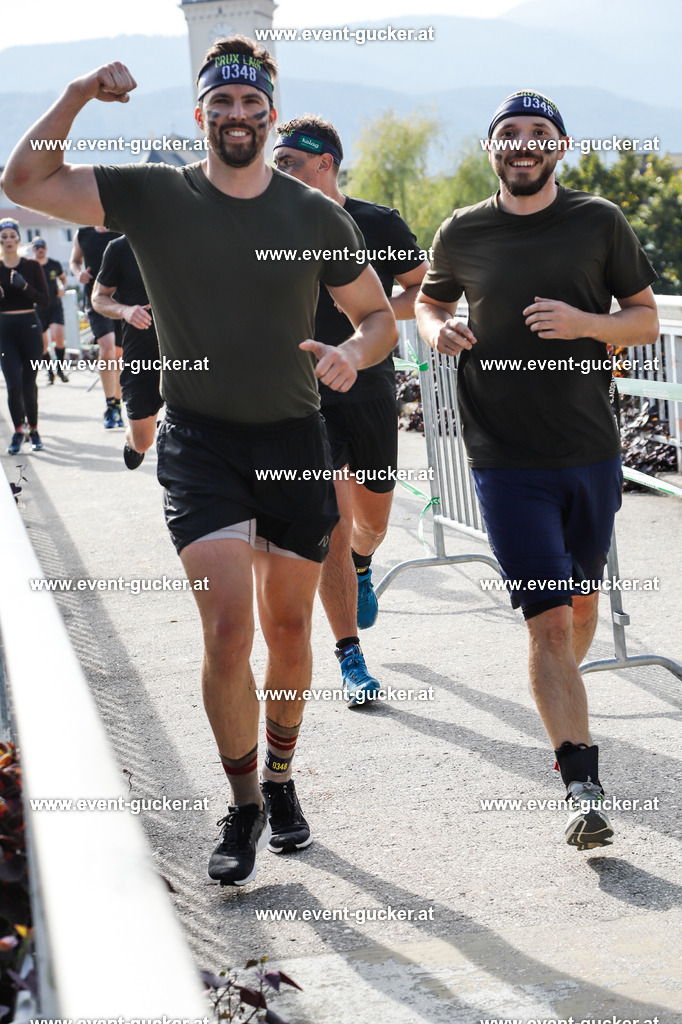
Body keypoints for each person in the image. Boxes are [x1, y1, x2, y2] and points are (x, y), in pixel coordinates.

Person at [1, 36, 397, 885]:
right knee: (228, 628)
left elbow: (377, 319)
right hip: (202, 441)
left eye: (253, 105)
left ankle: (286, 778)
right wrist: (75, 92)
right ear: (202, 115)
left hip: (294, 438)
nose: (239, 116)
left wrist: (353, 357)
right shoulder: (153, 196)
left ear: (270, 116)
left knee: (291, 631)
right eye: (223, 103)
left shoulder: (312, 214)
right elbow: (24, 183)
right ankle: (246, 801)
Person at [416, 90, 659, 850]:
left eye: (539, 133)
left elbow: (646, 317)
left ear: (561, 146)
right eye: (509, 134)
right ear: (491, 150)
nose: (524, 144)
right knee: (550, 621)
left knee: (581, 610)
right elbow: (426, 303)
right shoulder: (463, 228)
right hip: (502, 455)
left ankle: (559, 692)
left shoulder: (599, 221)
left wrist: (587, 324)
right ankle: (580, 782)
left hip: (588, 448)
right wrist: (439, 330)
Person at [274, 115, 429, 706]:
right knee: (332, 520)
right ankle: (350, 655)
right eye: (274, 161)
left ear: (326, 164)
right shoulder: (270, 224)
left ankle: (365, 562)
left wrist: (376, 317)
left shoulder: (377, 223)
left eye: (288, 162)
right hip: (301, 397)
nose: (277, 171)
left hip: (366, 389)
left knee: (371, 521)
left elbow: (422, 287)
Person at [92, 235, 163, 469]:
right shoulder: (120, 247)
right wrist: (125, 311)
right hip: (142, 353)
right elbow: (98, 297)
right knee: (143, 441)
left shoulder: (189, 239)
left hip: (186, 353)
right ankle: (132, 440)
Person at [0, 218, 49, 453]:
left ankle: (34, 429)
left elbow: (45, 300)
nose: (8, 240)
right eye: (4, 236)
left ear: (19, 238)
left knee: (29, 383)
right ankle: (18, 431)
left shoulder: (31, 266)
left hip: (30, 327)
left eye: (12, 235)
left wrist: (25, 286)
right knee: (13, 385)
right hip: (4, 330)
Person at [70, 225, 123, 427]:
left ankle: (116, 405)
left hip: (120, 300)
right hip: (96, 300)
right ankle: (110, 404)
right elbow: (74, 261)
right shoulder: (83, 233)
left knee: (118, 355)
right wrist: (78, 273)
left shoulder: (120, 229)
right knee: (107, 349)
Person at [31, 237, 69, 383]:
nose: (40, 249)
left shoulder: (54, 264)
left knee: (58, 336)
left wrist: (62, 287)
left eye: (42, 246)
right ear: (33, 250)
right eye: (37, 247)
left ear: (46, 248)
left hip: (55, 306)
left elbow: (63, 278)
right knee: (43, 344)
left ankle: (60, 368)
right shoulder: (30, 265)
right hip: (38, 309)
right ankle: (50, 372)